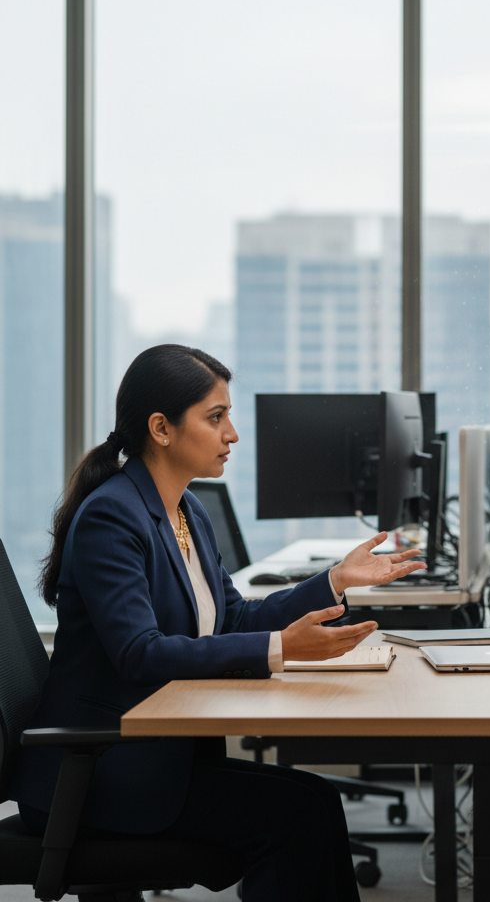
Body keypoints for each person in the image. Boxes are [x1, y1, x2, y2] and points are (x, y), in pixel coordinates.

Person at [12, 344, 427, 902]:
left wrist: (335, 580)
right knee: (297, 815)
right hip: (104, 773)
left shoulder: (188, 511)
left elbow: (231, 617)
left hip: (159, 757)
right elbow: (141, 653)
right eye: (215, 417)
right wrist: (281, 647)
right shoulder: (112, 516)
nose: (231, 434)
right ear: (161, 428)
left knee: (318, 802)